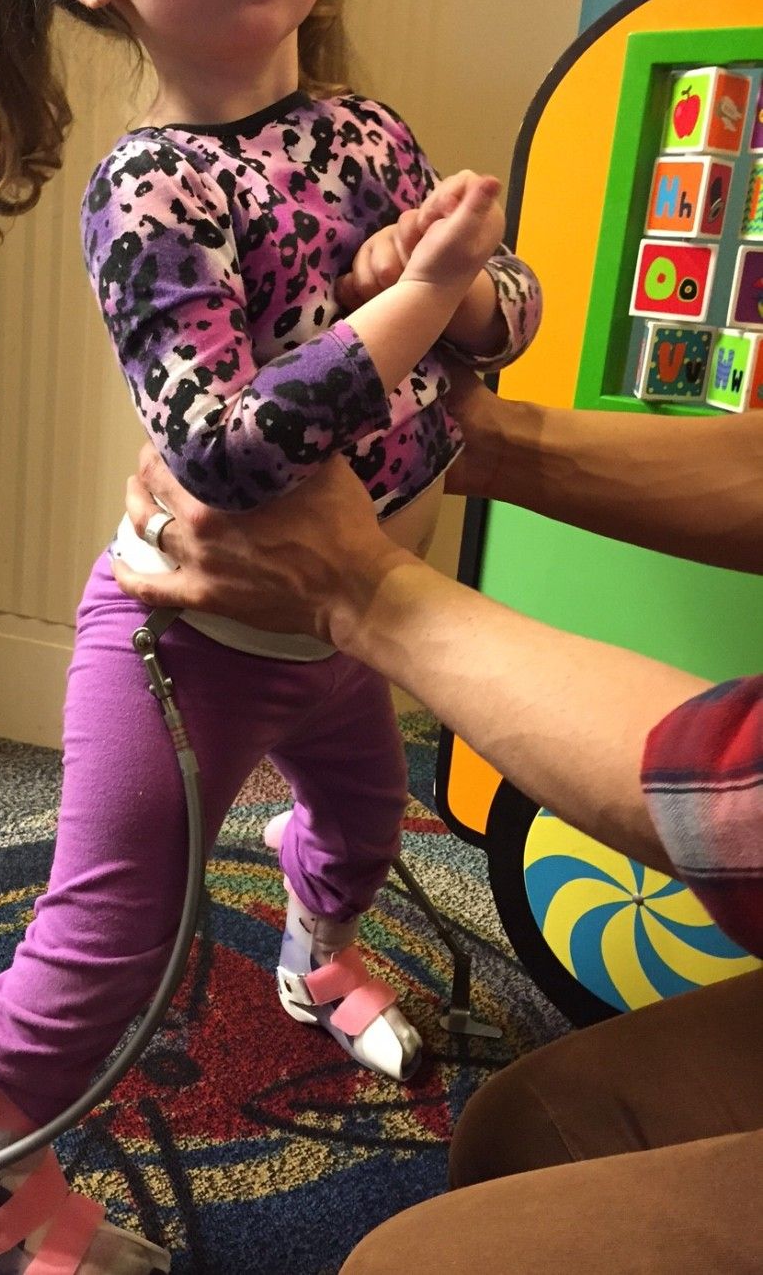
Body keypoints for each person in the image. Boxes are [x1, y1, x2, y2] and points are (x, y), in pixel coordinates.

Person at [0, 0, 545, 1269]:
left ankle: (320, 959)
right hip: (185, 649)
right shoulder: (150, 192)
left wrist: (460, 288)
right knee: (105, 945)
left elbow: (509, 312)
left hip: (346, 626)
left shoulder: (366, 133)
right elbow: (229, 448)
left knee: (361, 824)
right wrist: (419, 296)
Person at [114, 370, 763, 1275]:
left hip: (327, 629)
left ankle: (314, 966)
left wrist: (363, 593)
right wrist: (454, 434)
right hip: (189, 629)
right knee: (520, 1131)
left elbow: (738, 808)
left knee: (363, 820)